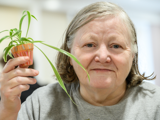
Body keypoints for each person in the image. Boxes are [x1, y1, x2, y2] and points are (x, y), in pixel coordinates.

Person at [0, 2, 160, 120]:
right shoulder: (41, 103)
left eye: (116, 45)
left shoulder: (155, 105)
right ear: (69, 53)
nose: (103, 57)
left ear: (133, 54)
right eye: (89, 44)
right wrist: (8, 110)